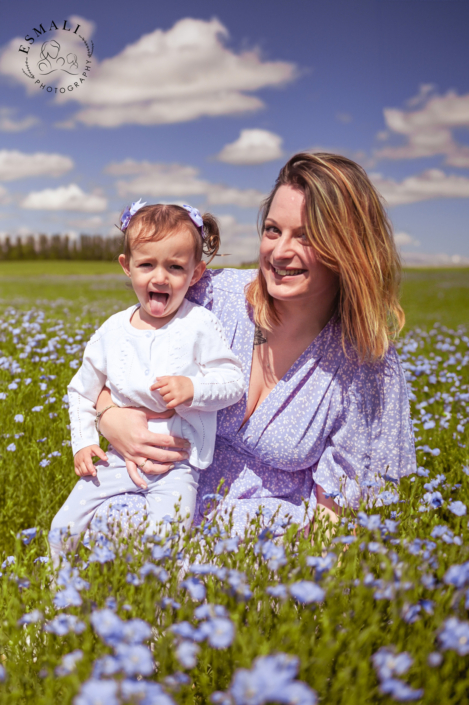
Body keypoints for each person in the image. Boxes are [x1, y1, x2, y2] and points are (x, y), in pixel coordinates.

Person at [93, 153, 416, 538]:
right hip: (157, 497)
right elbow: (110, 360)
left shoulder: (366, 363)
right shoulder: (212, 298)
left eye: (307, 236)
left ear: (349, 247)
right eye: (273, 230)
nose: (280, 252)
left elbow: (336, 520)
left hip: (261, 542)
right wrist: (109, 418)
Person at [49, 202, 245, 562]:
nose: (159, 277)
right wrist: (83, 443)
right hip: (117, 458)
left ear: (196, 273)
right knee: (62, 530)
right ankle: (57, 604)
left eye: (175, 267)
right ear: (127, 266)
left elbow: (233, 381)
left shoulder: (199, 324)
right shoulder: (111, 331)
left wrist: (194, 390)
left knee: (165, 545)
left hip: (177, 465)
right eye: (146, 264)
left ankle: (158, 615)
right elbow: (81, 391)